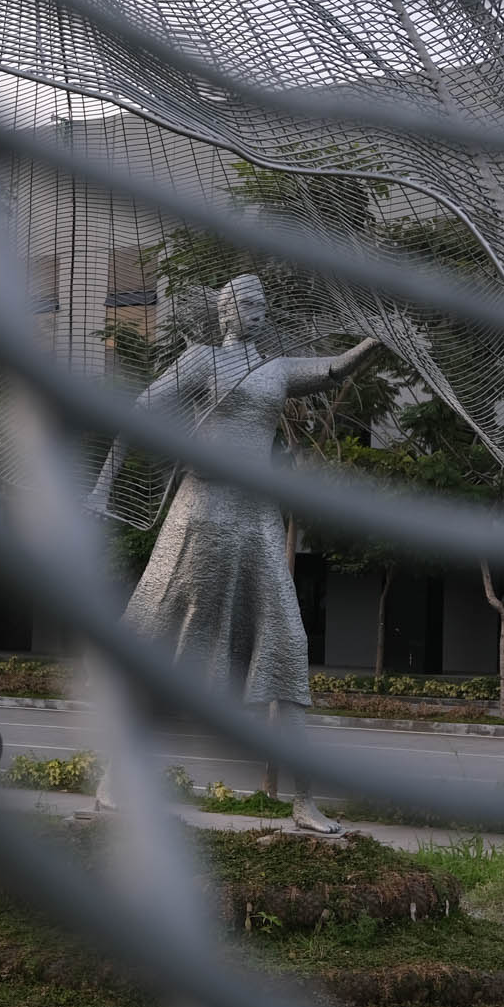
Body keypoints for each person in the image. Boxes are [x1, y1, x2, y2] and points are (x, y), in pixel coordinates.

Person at [120, 273, 384, 834]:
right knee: (168, 641)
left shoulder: (275, 370)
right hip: (200, 515)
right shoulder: (201, 362)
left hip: (256, 518)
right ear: (225, 310)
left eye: (264, 303)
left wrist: (377, 339)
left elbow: (334, 368)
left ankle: (304, 801)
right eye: (247, 302)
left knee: (288, 638)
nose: (258, 310)